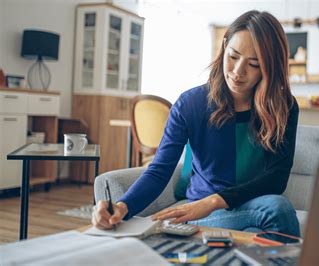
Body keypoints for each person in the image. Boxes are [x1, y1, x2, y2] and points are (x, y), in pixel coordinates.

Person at [92, 10, 300, 236]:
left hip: (248, 205)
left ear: (270, 67)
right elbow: (159, 171)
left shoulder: (283, 107)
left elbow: (277, 178)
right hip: (205, 214)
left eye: (254, 64)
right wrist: (122, 207)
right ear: (224, 46)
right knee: (276, 213)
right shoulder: (191, 103)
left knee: (276, 210)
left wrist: (212, 201)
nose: (238, 72)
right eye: (233, 56)